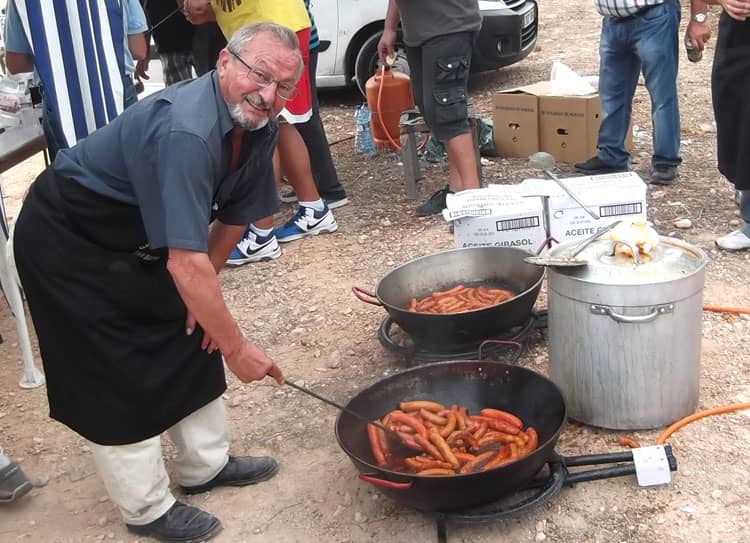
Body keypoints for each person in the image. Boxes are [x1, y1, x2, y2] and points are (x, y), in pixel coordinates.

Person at [13, 22, 294, 541]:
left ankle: (204, 465)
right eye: (259, 74)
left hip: (140, 230)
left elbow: (235, 217)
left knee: (192, 328)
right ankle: (145, 507)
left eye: (284, 86)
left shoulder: (260, 125)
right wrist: (237, 348)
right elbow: (185, 264)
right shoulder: (186, 131)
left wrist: (206, 304)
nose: (269, 94)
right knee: (111, 366)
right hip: (68, 235)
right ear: (225, 62)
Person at [184, 0, 338, 267]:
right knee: (280, 123)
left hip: (274, 32)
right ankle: (313, 208)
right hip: (263, 30)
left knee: (264, 124)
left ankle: (261, 233)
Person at [4, 0, 147, 159]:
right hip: (117, 87)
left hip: (59, 95)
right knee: (130, 165)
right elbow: (138, 49)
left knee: (72, 170)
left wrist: (55, 59)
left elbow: (15, 64)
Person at [378, 0, 482, 216]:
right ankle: (457, 190)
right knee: (432, 111)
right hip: (419, 33)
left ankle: (475, 204)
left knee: (449, 114)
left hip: (449, 26)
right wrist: (389, 28)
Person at [574, 0, 682, 186]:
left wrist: (699, 19)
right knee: (611, 94)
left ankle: (666, 161)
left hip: (653, 16)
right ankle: (611, 156)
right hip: (613, 19)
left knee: (662, 95)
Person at [279, 0, 350, 211]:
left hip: (296, 39)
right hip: (291, 37)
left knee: (304, 117)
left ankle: (330, 189)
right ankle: (307, 183)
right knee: (291, 120)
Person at [138, 0, 196, 86]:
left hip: (204, 40)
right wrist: (143, 54)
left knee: (211, 88)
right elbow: (143, 16)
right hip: (170, 44)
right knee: (179, 91)